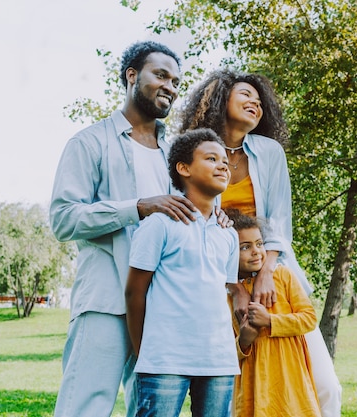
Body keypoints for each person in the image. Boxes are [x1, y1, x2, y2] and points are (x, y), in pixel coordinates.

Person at [49, 41, 228, 417]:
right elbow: (65, 219)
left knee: (146, 409)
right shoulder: (89, 143)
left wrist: (217, 217)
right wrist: (137, 207)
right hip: (106, 301)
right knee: (85, 406)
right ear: (132, 76)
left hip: (161, 308)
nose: (171, 86)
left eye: (176, 80)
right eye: (160, 75)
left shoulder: (175, 152)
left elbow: (192, 210)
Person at [179, 69, 342, 417]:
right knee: (236, 391)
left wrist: (267, 271)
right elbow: (195, 226)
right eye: (244, 95)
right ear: (222, 101)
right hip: (214, 285)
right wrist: (234, 287)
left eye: (258, 99)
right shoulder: (197, 154)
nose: (255, 102)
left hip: (275, 274)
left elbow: (280, 222)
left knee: (326, 386)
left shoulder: (269, 152)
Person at [126, 128, 239, 417]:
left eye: (225, 161)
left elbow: (224, 294)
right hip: (165, 361)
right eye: (212, 158)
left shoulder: (228, 234)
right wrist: (145, 353)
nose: (223, 165)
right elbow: (134, 292)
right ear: (184, 168)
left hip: (218, 362)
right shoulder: (159, 224)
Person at [227, 209, 321, 417]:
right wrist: (243, 341)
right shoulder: (228, 297)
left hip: (289, 377)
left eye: (259, 244)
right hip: (253, 384)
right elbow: (225, 352)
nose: (256, 251)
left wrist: (270, 320)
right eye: (245, 247)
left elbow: (309, 318)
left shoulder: (282, 276)